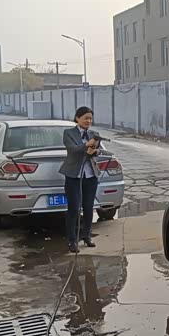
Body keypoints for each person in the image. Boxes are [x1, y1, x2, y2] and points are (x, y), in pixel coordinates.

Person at [59, 106, 101, 253]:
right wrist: (85, 145)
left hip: (90, 175)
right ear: (77, 118)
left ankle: (86, 235)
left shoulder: (94, 134)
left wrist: (94, 151)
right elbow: (72, 149)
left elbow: (98, 150)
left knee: (89, 207)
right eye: (85, 118)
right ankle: (72, 240)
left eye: (90, 118)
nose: (88, 121)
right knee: (74, 208)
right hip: (74, 176)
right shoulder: (68, 133)